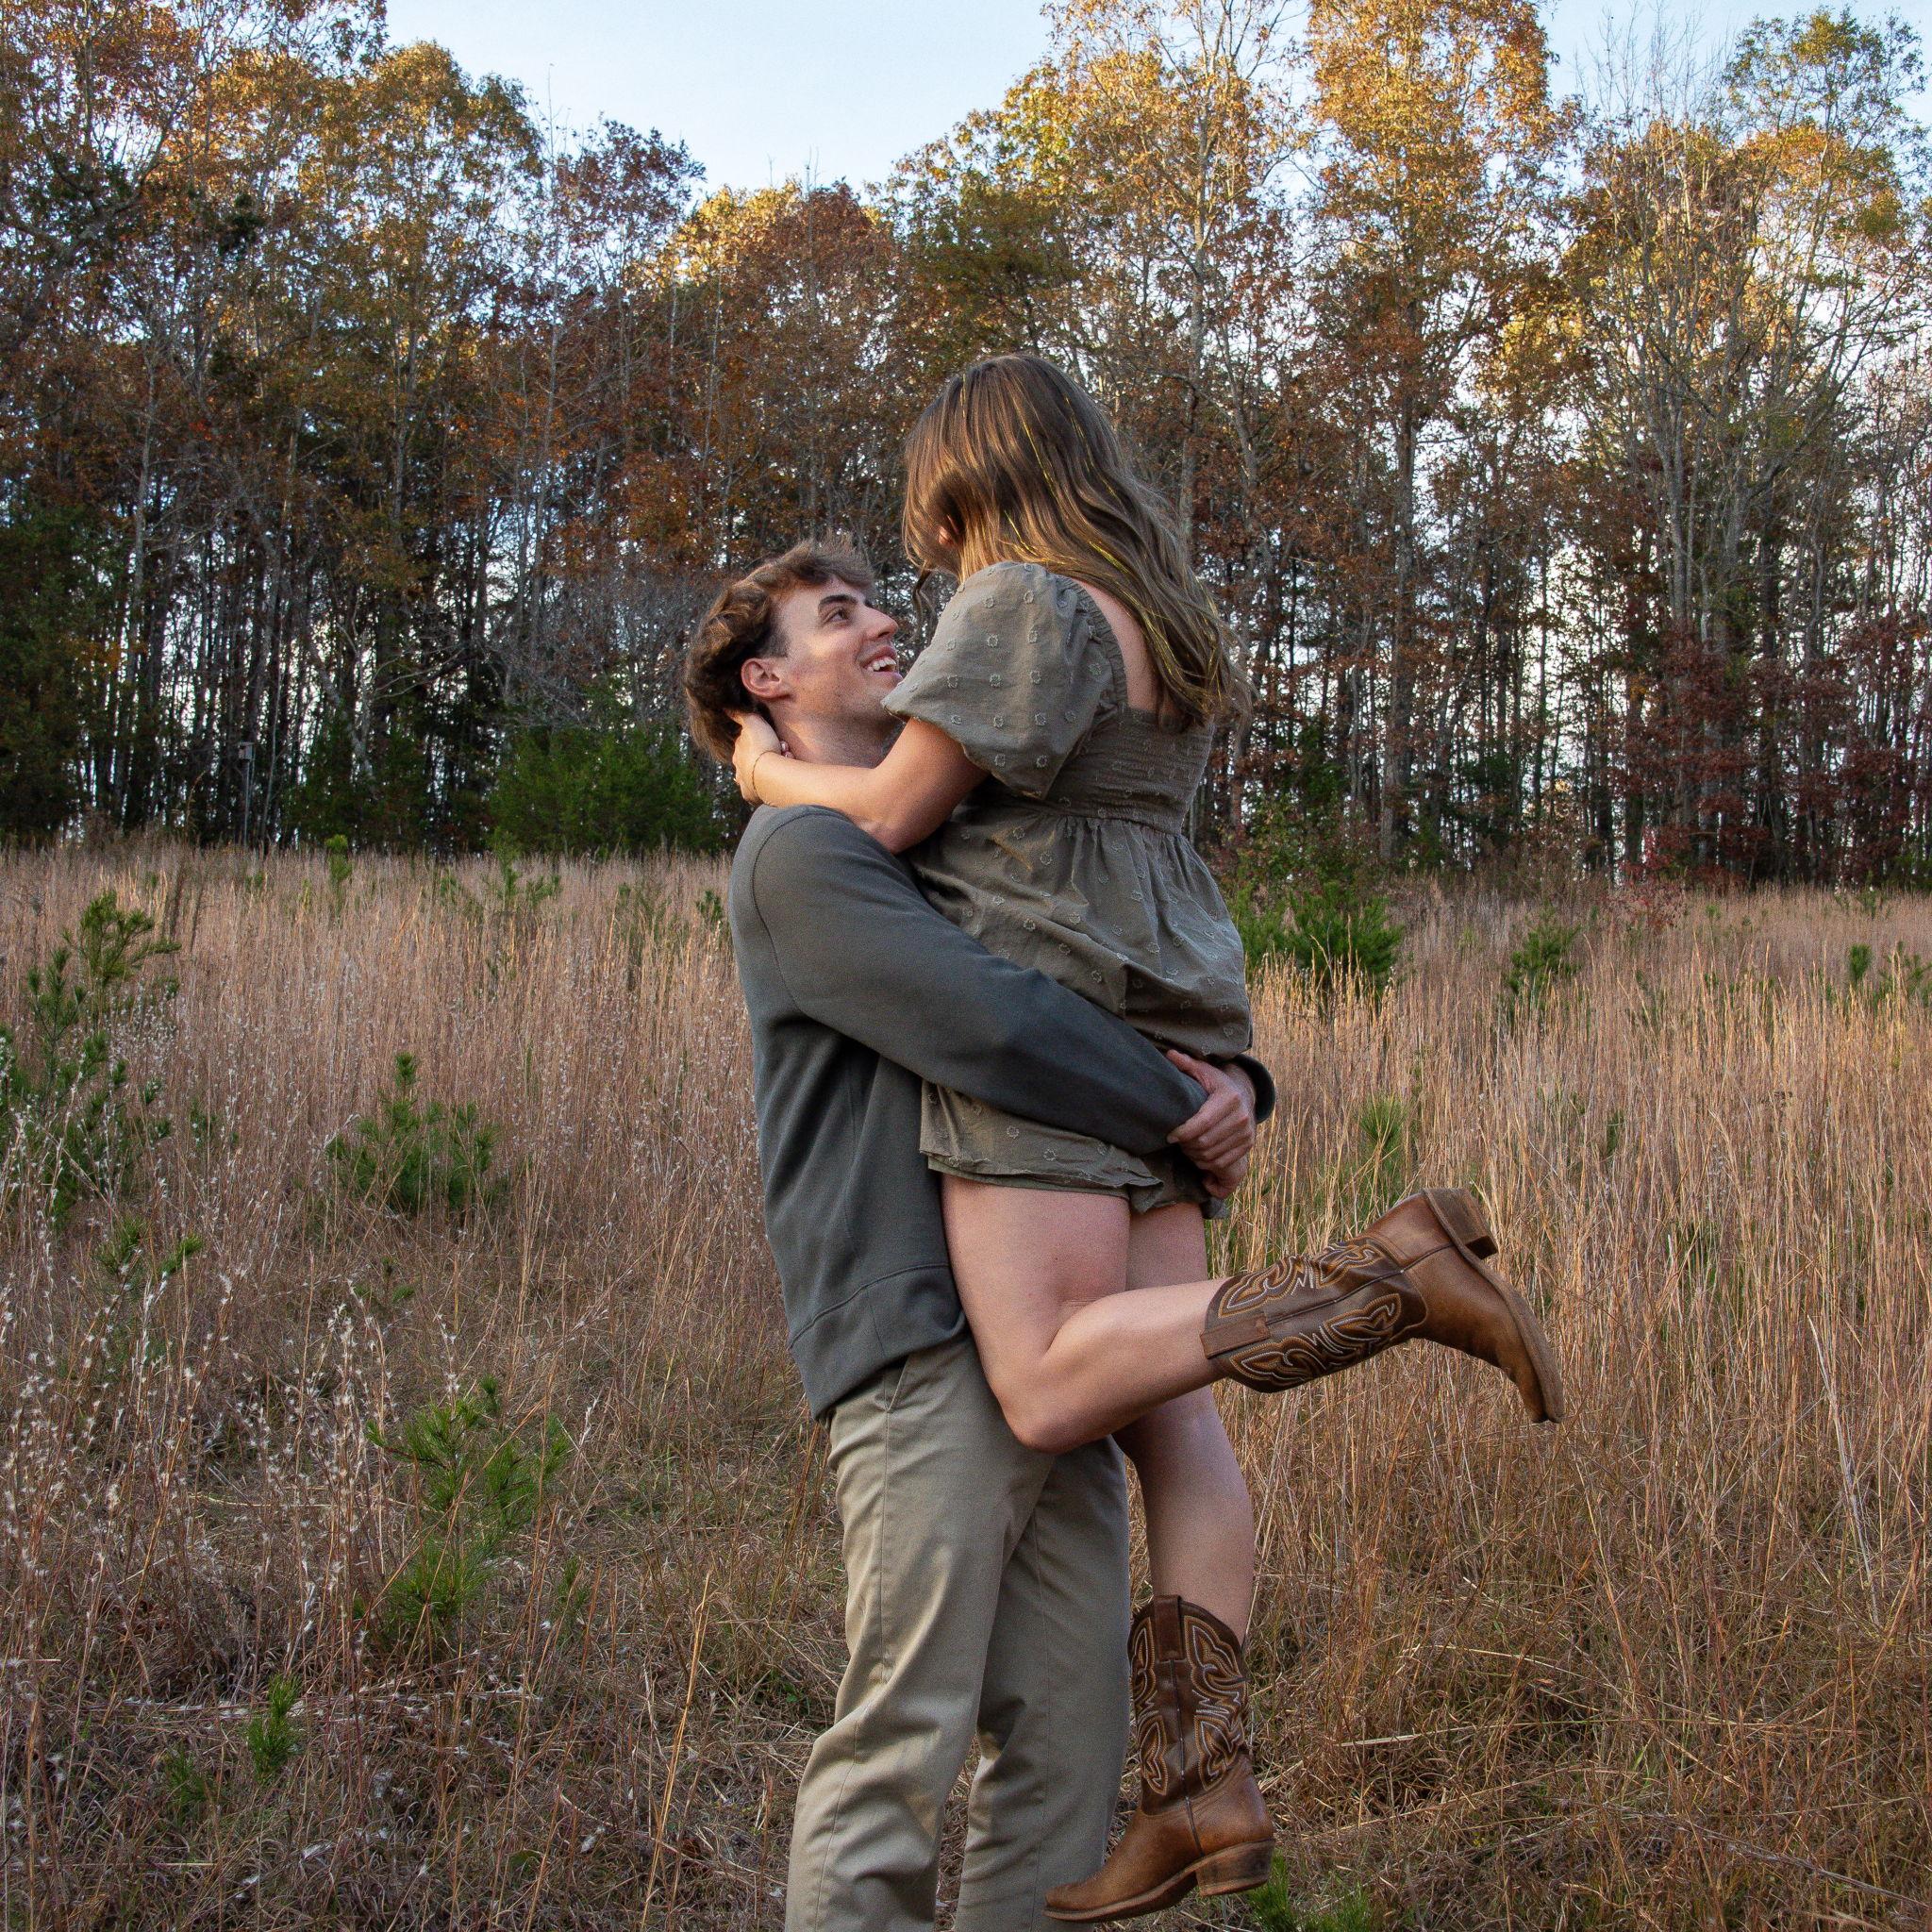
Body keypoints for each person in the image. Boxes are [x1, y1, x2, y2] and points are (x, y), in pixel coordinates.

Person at [723, 355, 1564, 1924]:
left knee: (1061, 1405)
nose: (901, 598)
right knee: (1169, 1440)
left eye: (914, 545)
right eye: (838, 617)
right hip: (1100, 1074)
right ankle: (1203, 1783)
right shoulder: (1136, 621)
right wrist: (1211, 1084)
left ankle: (1384, 1284)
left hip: (1068, 1062)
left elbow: (927, 858)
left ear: (973, 477)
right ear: (764, 677)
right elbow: (984, 986)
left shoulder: (1009, 623)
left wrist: (758, 766)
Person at [685, 537, 1277, 1932]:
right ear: (767, 683)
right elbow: (997, 1026)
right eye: (839, 617)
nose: (885, 624)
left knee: (1068, 1745)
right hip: (922, 1342)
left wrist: (1243, 1084)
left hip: (1050, 1329)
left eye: (878, 601)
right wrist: (1186, 1111)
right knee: (903, 1743)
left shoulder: (946, 844)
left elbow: (1104, 984)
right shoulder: (800, 857)